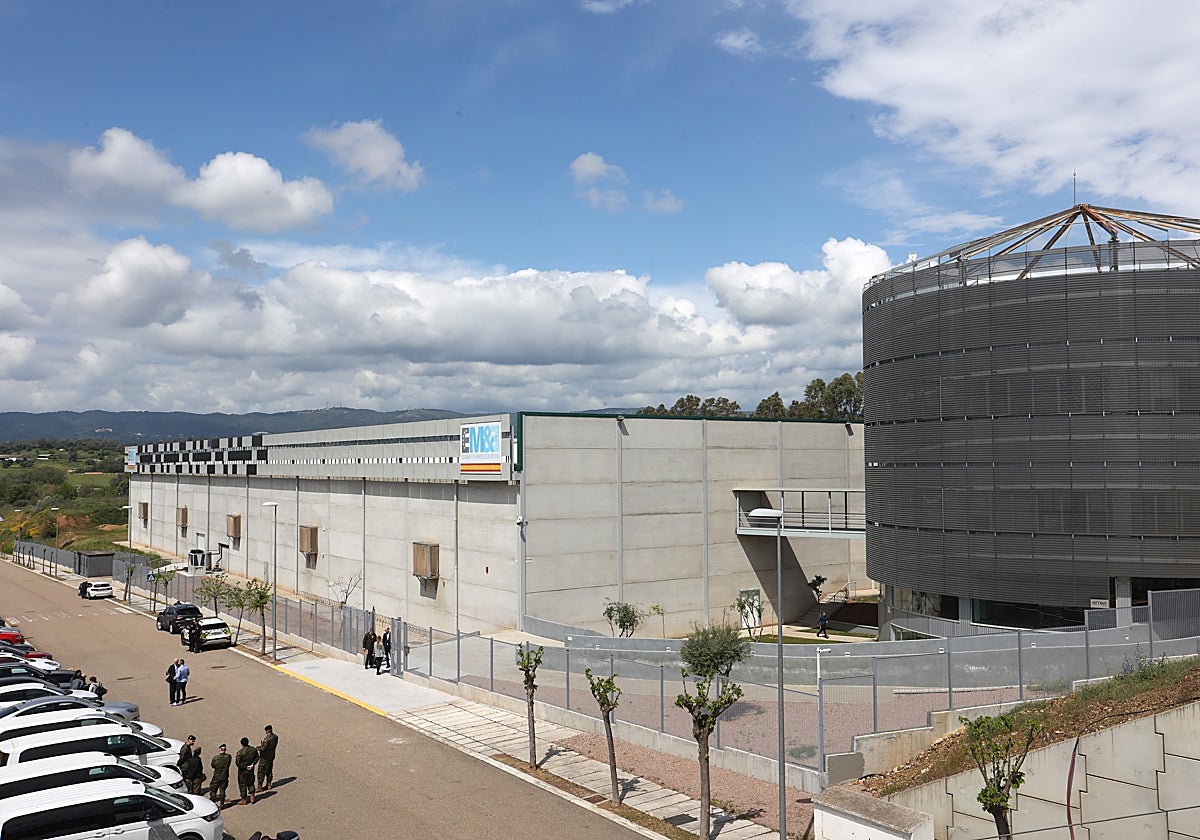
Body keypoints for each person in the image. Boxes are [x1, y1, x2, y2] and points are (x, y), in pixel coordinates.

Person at [235, 736, 259, 805]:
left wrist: (245, 767)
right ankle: (252, 797)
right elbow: (257, 758)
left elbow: (238, 763)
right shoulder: (253, 750)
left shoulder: (240, 753)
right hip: (251, 770)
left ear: (241, 744)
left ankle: (244, 800)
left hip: (242, 772)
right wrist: (252, 765)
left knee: (242, 785)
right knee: (251, 783)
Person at [256, 724, 278, 792]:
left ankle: (260, 786)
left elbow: (263, 748)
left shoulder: (267, 739)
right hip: (271, 756)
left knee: (261, 771)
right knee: (269, 770)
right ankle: (269, 784)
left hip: (265, 757)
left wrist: (257, 747)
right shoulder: (275, 737)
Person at [210, 743, 232, 807]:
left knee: (213, 790)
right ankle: (222, 803)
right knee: (222, 790)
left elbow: (213, 765)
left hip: (216, 776)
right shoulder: (228, 757)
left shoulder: (215, 758)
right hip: (224, 776)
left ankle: (212, 802)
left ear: (219, 749)